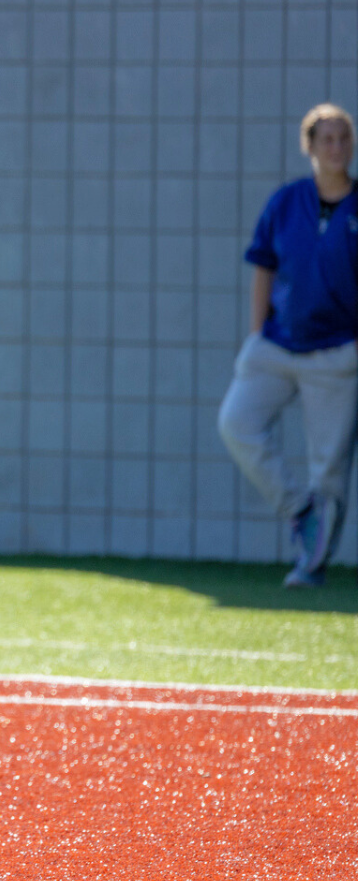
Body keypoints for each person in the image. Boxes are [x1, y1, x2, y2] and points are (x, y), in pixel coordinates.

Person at [218, 103, 358, 588]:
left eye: (344, 139)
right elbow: (263, 267)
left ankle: (311, 565)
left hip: (338, 353)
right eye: (327, 140)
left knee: (330, 469)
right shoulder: (285, 202)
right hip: (276, 345)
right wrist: (257, 335)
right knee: (237, 423)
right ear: (310, 146)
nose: (337, 148)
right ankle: (298, 508)